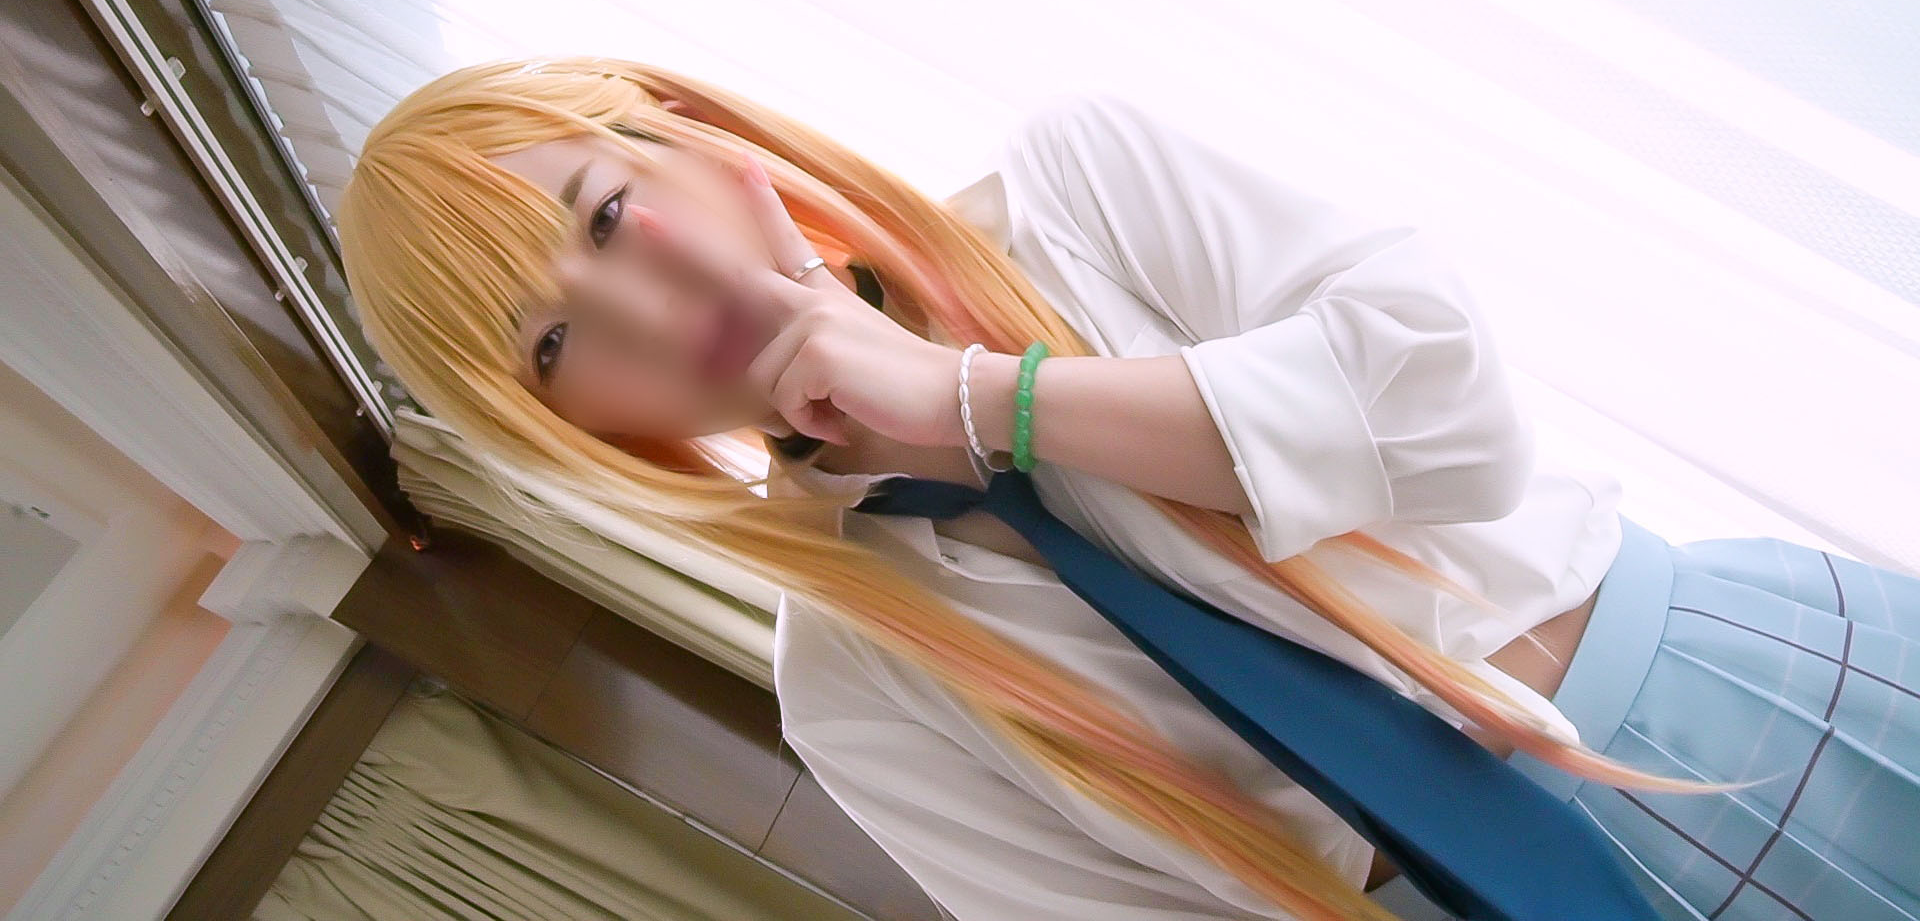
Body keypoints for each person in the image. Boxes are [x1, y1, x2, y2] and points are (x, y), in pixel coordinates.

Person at [335, 56, 1918, 921]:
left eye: (607, 216)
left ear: (687, 135)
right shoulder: (855, 678)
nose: (640, 311)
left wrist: (978, 400)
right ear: (572, 424)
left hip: (1746, 698)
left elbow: (1450, 409)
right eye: (557, 343)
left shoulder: (1079, 192)